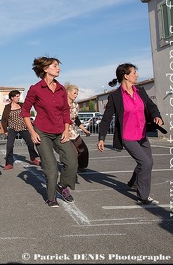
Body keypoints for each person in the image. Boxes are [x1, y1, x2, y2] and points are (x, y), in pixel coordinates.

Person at [97, 63, 164, 205]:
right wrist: (101, 138)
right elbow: (106, 118)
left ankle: (133, 183)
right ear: (126, 76)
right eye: (134, 73)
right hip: (128, 137)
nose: (137, 75)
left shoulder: (140, 91)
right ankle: (143, 196)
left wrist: (156, 116)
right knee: (145, 163)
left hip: (142, 134)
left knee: (148, 162)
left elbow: (151, 106)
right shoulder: (115, 97)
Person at [20, 57, 78, 208]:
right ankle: (51, 197)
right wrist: (32, 132)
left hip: (60, 131)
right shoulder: (36, 89)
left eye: (58, 66)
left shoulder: (61, 89)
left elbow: (66, 111)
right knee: (51, 169)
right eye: (55, 66)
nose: (58, 68)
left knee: (72, 162)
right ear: (45, 69)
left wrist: (66, 130)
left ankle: (62, 186)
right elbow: (25, 111)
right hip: (42, 132)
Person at [1, 90, 40, 170]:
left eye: (19, 96)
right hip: (12, 128)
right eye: (17, 96)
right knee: (9, 146)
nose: (18, 98)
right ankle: (9, 163)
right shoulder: (7, 107)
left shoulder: (22, 105)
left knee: (30, 143)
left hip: (23, 128)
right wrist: (5, 130)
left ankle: (33, 159)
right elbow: (4, 119)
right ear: (12, 98)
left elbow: (27, 114)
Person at [65, 83, 91, 172]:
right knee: (72, 153)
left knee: (83, 150)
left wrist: (85, 130)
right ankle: (70, 168)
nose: (76, 95)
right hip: (64, 131)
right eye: (74, 93)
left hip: (74, 132)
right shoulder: (62, 105)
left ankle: (81, 166)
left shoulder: (75, 106)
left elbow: (76, 120)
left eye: (77, 94)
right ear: (68, 93)